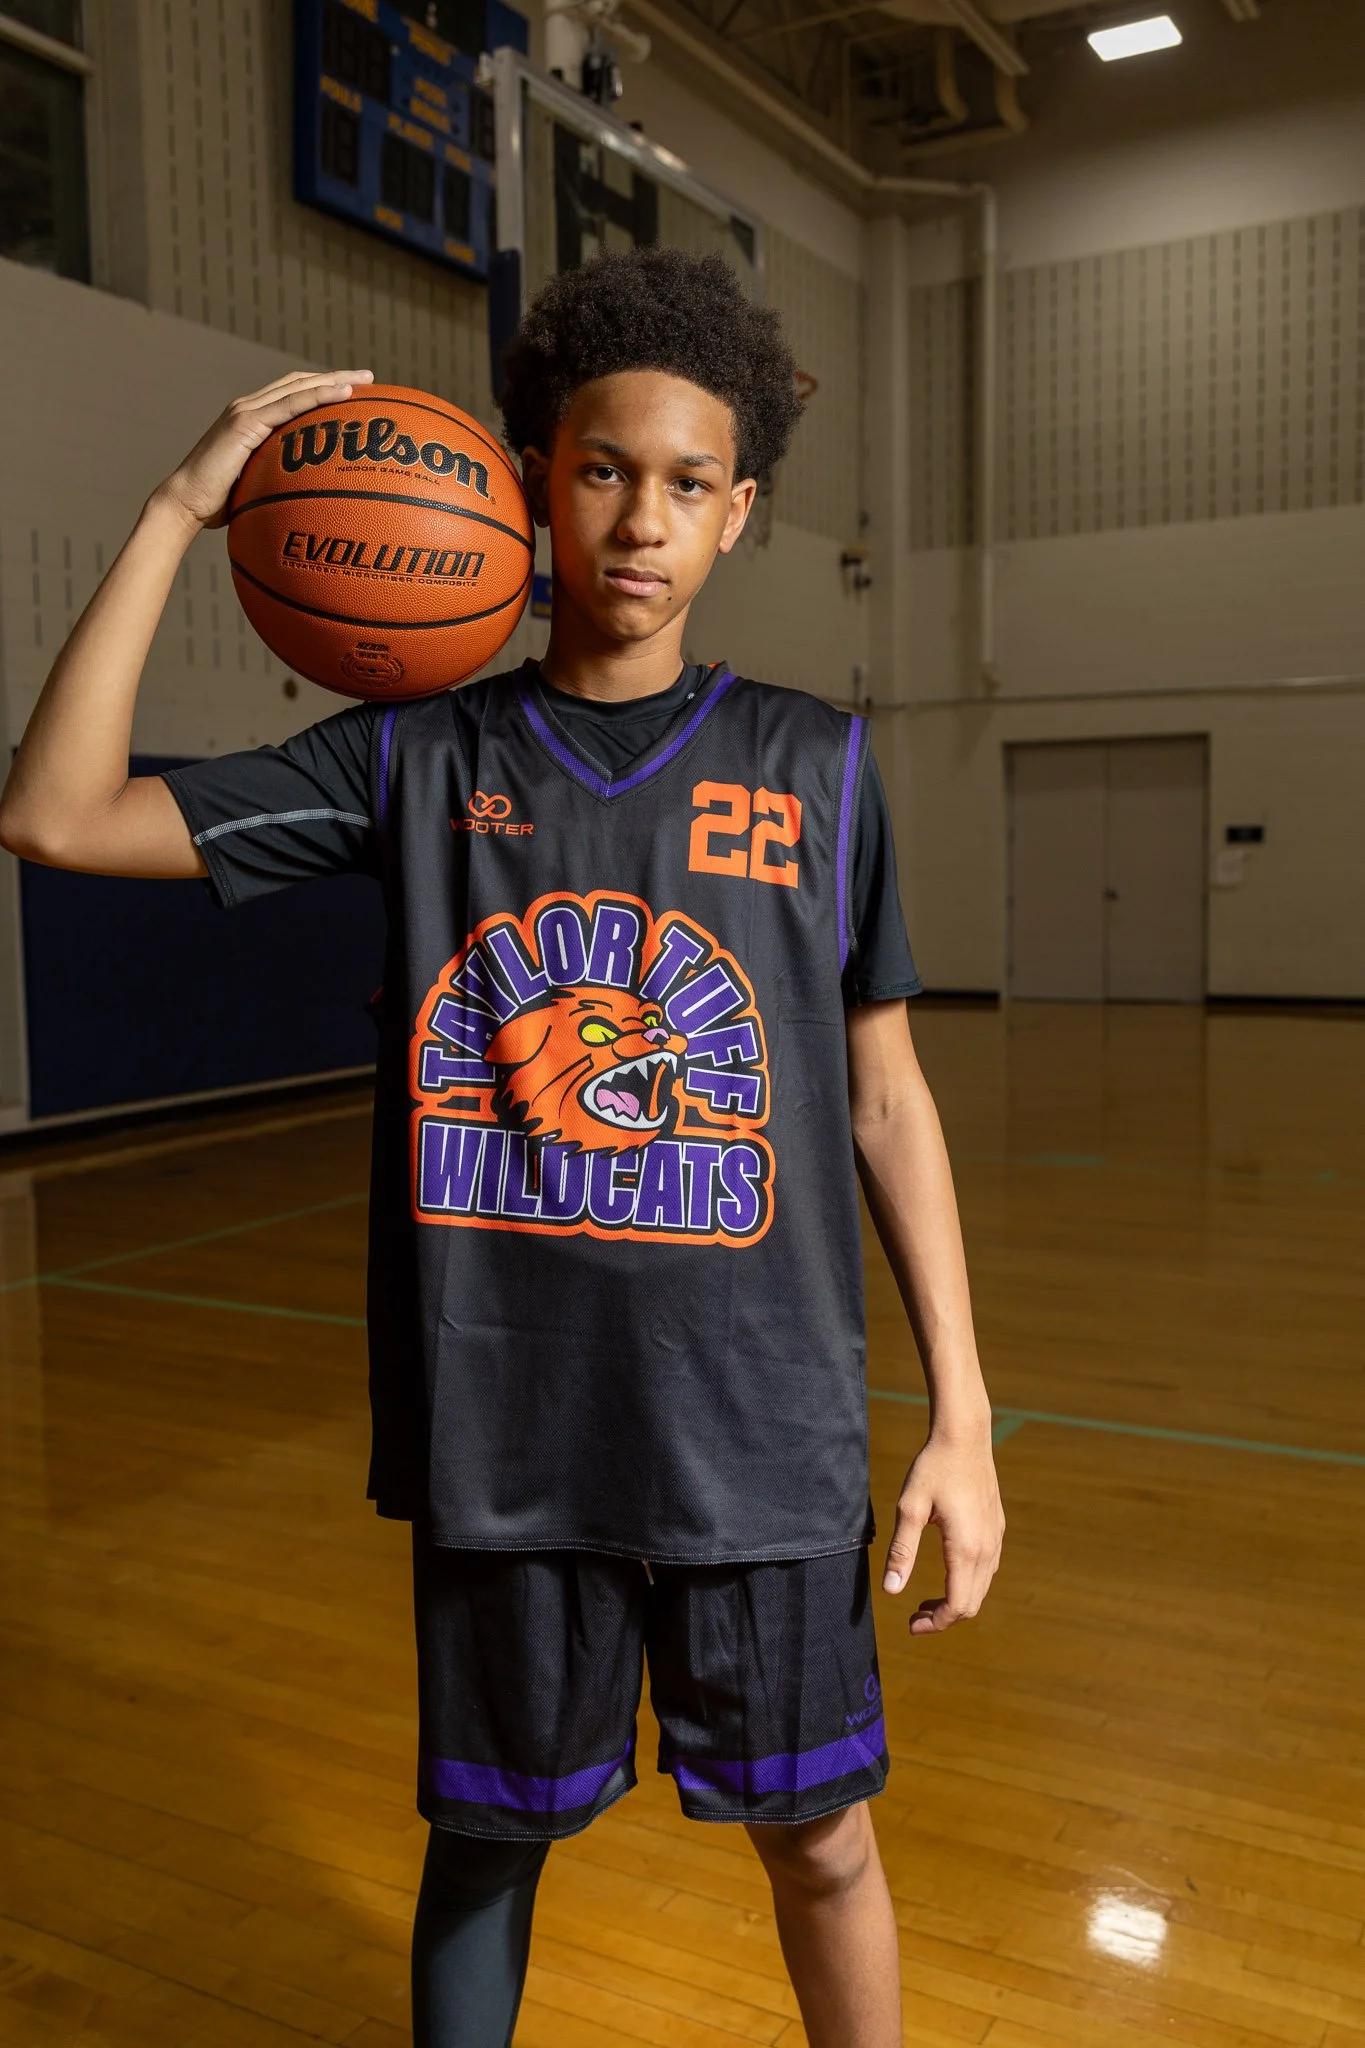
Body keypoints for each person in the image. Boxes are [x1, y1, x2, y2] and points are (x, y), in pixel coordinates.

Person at [0, 247, 1004, 2048]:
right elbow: (56, 813)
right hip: (509, 1429)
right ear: (533, 479)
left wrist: (968, 1419)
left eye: (689, 483)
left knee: (826, 1847)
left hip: (757, 1429)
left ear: (740, 511)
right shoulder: (410, 758)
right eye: (603, 468)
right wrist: (174, 508)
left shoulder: (819, 766)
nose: (641, 518)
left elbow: (884, 1101)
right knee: (485, 1852)